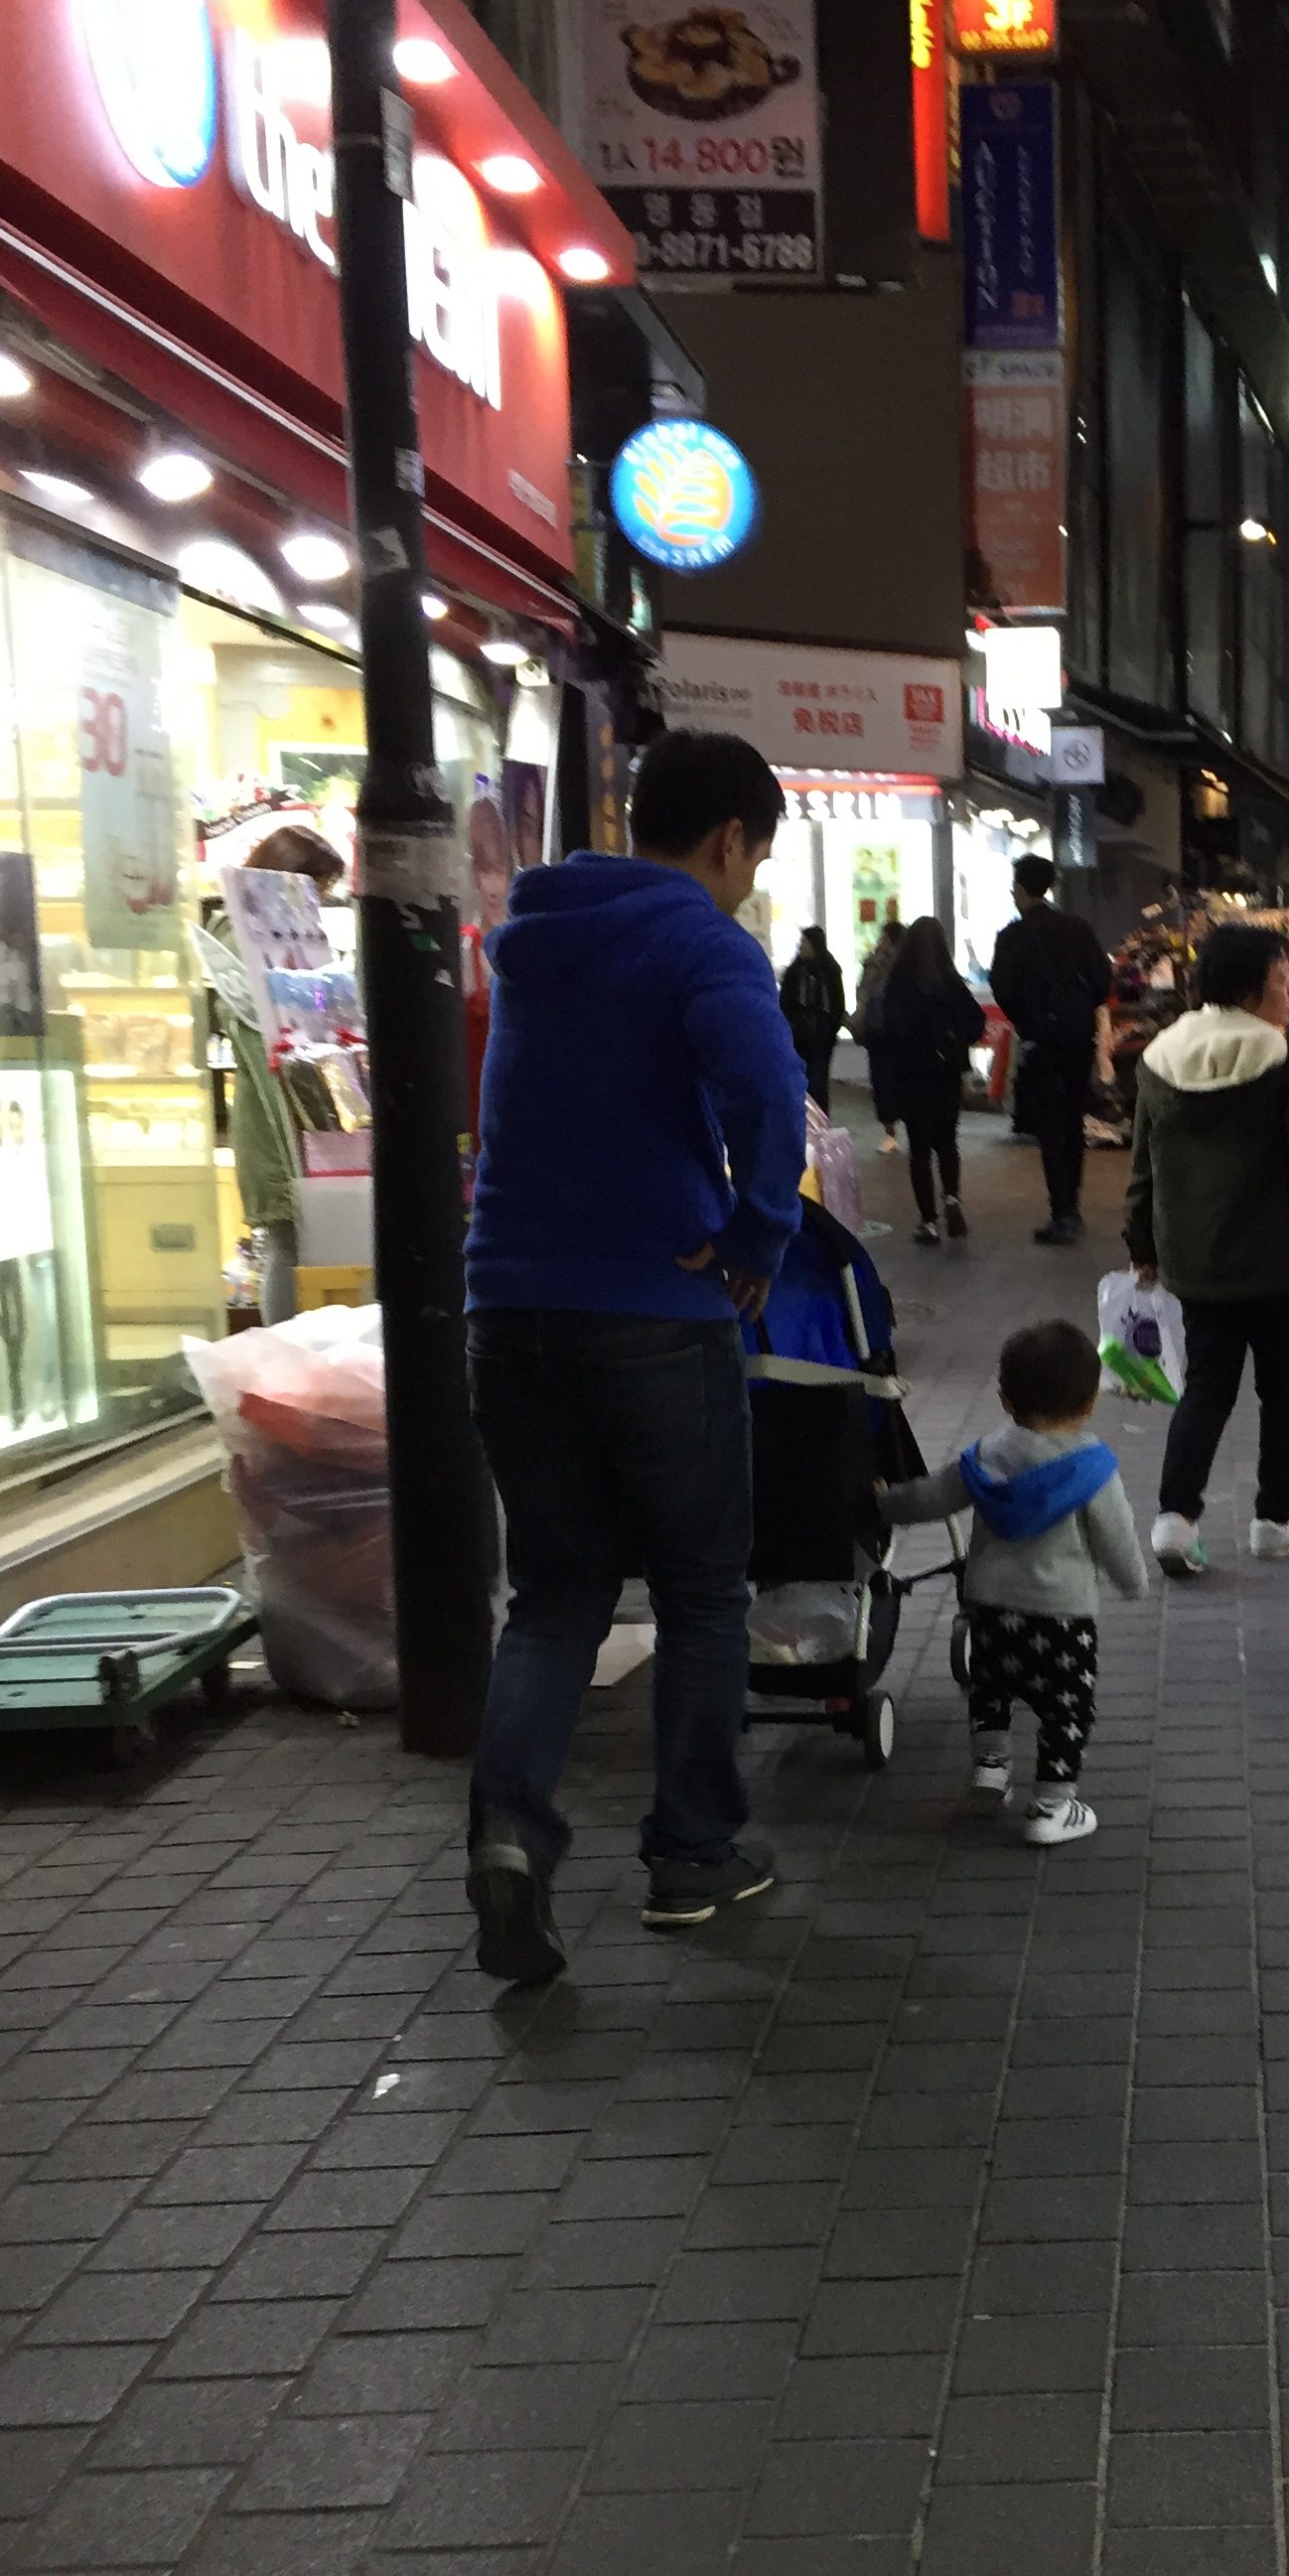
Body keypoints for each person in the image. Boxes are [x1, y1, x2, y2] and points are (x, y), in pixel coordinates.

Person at [463, 728, 809, 1983]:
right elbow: (768, 1091)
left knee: (554, 1596)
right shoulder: (701, 942)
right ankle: (692, 1857)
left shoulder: (540, 937)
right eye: (753, 859)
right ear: (730, 842)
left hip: (505, 1306)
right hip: (657, 1313)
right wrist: (756, 1235)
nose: (746, 882)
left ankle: (509, 1831)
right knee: (703, 1588)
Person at [1125, 917, 1289, 1577]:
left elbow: (1143, 1162)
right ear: (1256, 991)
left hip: (1197, 1264)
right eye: (1284, 981)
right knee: (1286, 1393)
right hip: (1281, 1267)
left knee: (1206, 1389)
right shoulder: (1285, 1065)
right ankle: (1275, 1521)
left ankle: (1175, 1520)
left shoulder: (1160, 1059)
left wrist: (1141, 1242)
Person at [880, 1318, 1147, 1845]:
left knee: (992, 1689)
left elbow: (932, 1496)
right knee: (1066, 1705)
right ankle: (1051, 1807)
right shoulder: (1093, 1469)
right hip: (1062, 1617)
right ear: (1091, 1402)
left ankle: (990, 1771)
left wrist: (883, 1502)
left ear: (1004, 1397)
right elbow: (1118, 1537)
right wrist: (1134, 1583)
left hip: (989, 1606)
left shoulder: (985, 1457)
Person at [198, 823, 345, 1324]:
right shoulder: (239, 946)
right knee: (287, 1241)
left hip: (303, 1116)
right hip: (276, 1123)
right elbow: (264, 1049)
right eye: (317, 887)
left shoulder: (274, 940)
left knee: (304, 1243)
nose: (321, 901)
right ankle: (286, 1360)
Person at [991, 853, 1111, 1242]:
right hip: (1077, 1040)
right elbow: (1100, 980)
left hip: (1041, 1042)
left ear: (1023, 890)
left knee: (1049, 1124)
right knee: (1072, 1119)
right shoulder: (1077, 929)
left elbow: (1004, 988)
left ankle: (1062, 1211)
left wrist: (1030, 1019)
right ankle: (1071, 1206)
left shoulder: (1012, 937)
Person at [875, 914, 984, 1243]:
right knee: (947, 1142)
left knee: (920, 1149)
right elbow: (975, 1022)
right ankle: (951, 1197)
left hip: (913, 1076)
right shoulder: (950, 982)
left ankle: (929, 1221)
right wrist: (952, 1043)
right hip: (946, 1075)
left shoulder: (900, 982)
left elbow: (890, 1029)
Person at [778, 924, 847, 1111]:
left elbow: (837, 1003)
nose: (801, 947)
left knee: (818, 1085)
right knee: (802, 1084)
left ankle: (821, 1125)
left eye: (805, 943)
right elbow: (786, 1001)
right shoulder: (795, 971)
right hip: (800, 1038)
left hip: (821, 1039)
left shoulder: (830, 970)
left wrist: (830, 1027)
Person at [853, 921, 906, 1154]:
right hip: (879, 1030)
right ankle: (890, 1131)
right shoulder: (873, 964)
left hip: (895, 1030)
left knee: (893, 1081)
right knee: (883, 1082)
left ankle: (895, 1129)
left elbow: (871, 994)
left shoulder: (902, 965)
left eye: (884, 938)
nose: (880, 942)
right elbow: (864, 993)